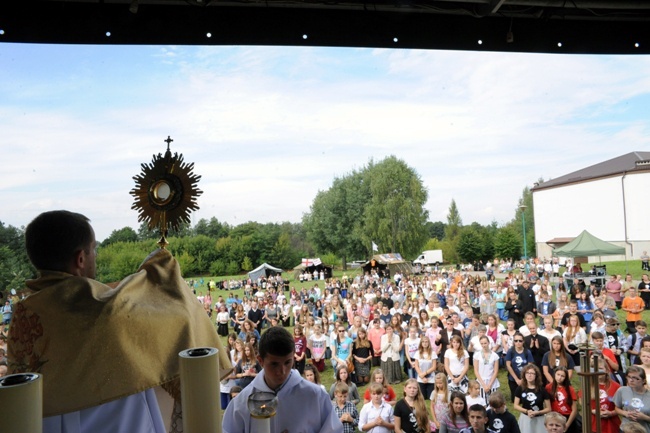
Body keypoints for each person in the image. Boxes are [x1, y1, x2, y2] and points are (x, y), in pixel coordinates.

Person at [7, 210, 231, 433]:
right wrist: (162, 266)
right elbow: (172, 311)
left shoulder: (23, 312)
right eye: (94, 249)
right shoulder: (103, 311)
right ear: (81, 258)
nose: (95, 256)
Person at [223, 326, 342, 433]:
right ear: (261, 360)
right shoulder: (242, 403)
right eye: (274, 364)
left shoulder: (315, 396)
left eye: (287, 362)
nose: (282, 371)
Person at [513, 364, 551, 433]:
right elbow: (515, 405)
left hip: (539, 419)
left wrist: (538, 412)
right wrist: (527, 411)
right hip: (526, 418)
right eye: (527, 373)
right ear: (524, 374)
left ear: (536, 375)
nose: (529, 375)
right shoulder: (520, 388)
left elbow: (548, 408)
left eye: (532, 373)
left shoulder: (542, 390)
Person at [614, 365, 650, 433]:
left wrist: (644, 417)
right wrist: (625, 413)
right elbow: (617, 408)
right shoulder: (622, 390)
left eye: (636, 378)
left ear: (643, 381)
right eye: (629, 377)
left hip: (643, 430)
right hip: (625, 429)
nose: (631, 380)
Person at [544, 367, 578, 433]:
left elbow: (574, 410)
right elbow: (546, 405)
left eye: (562, 376)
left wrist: (567, 425)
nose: (559, 377)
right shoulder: (548, 387)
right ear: (554, 375)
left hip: (567, 417)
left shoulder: (570, 389)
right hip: (554, 417)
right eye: (558, 374)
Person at [505, 333, 534, 402]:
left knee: (524, 398)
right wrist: (516, 379)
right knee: (514, 399)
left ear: (523, 341)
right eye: (516, 341)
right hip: (513, 378)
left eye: (520, 341)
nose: (518, 342)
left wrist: (523, 379)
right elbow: (508, 365)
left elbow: (529, 366)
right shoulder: (510, 351)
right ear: (513, 342)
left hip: (525, 378)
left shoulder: (527, 352)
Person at [473, 336, 500, 402]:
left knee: (493, 401)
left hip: (492, 381)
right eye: (481, 343)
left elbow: (496, 371)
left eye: (485, 343)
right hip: (481, 381)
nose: (483, 345)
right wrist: (483, 385)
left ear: (488, 343)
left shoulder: (495, 355)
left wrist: (489, 385)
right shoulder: (477, 355)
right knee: (482, 402)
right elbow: (476, 370)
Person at [413, 335, 437, 400]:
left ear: (428, 343)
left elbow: (434, 367)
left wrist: (425, 373)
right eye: (423, 342)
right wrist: (422, 377)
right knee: (422, 397)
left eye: (426, 342)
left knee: (430, 397)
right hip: (421, 378)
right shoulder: (417, 353)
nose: (425, 343)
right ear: (421, 343)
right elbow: (416, 366)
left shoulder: (433, 353)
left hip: (431, 378)